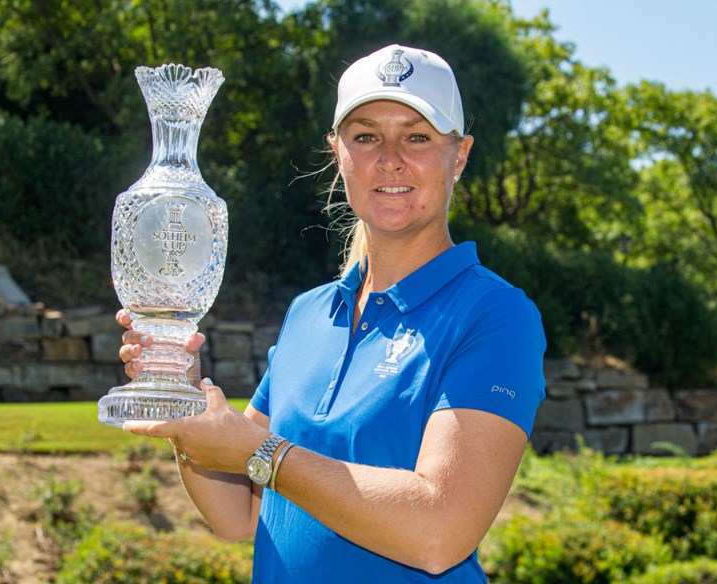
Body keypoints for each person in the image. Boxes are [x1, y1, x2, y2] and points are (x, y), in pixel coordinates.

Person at [119, 44, 546, 583]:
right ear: (338, 152)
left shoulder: (496, 314)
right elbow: (240, 513)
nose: (389, 158)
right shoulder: (309, 313)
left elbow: (440, 531)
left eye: (417, 136)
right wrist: (186, 406)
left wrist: (266, 455)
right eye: (366, 136)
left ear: (458, 156)